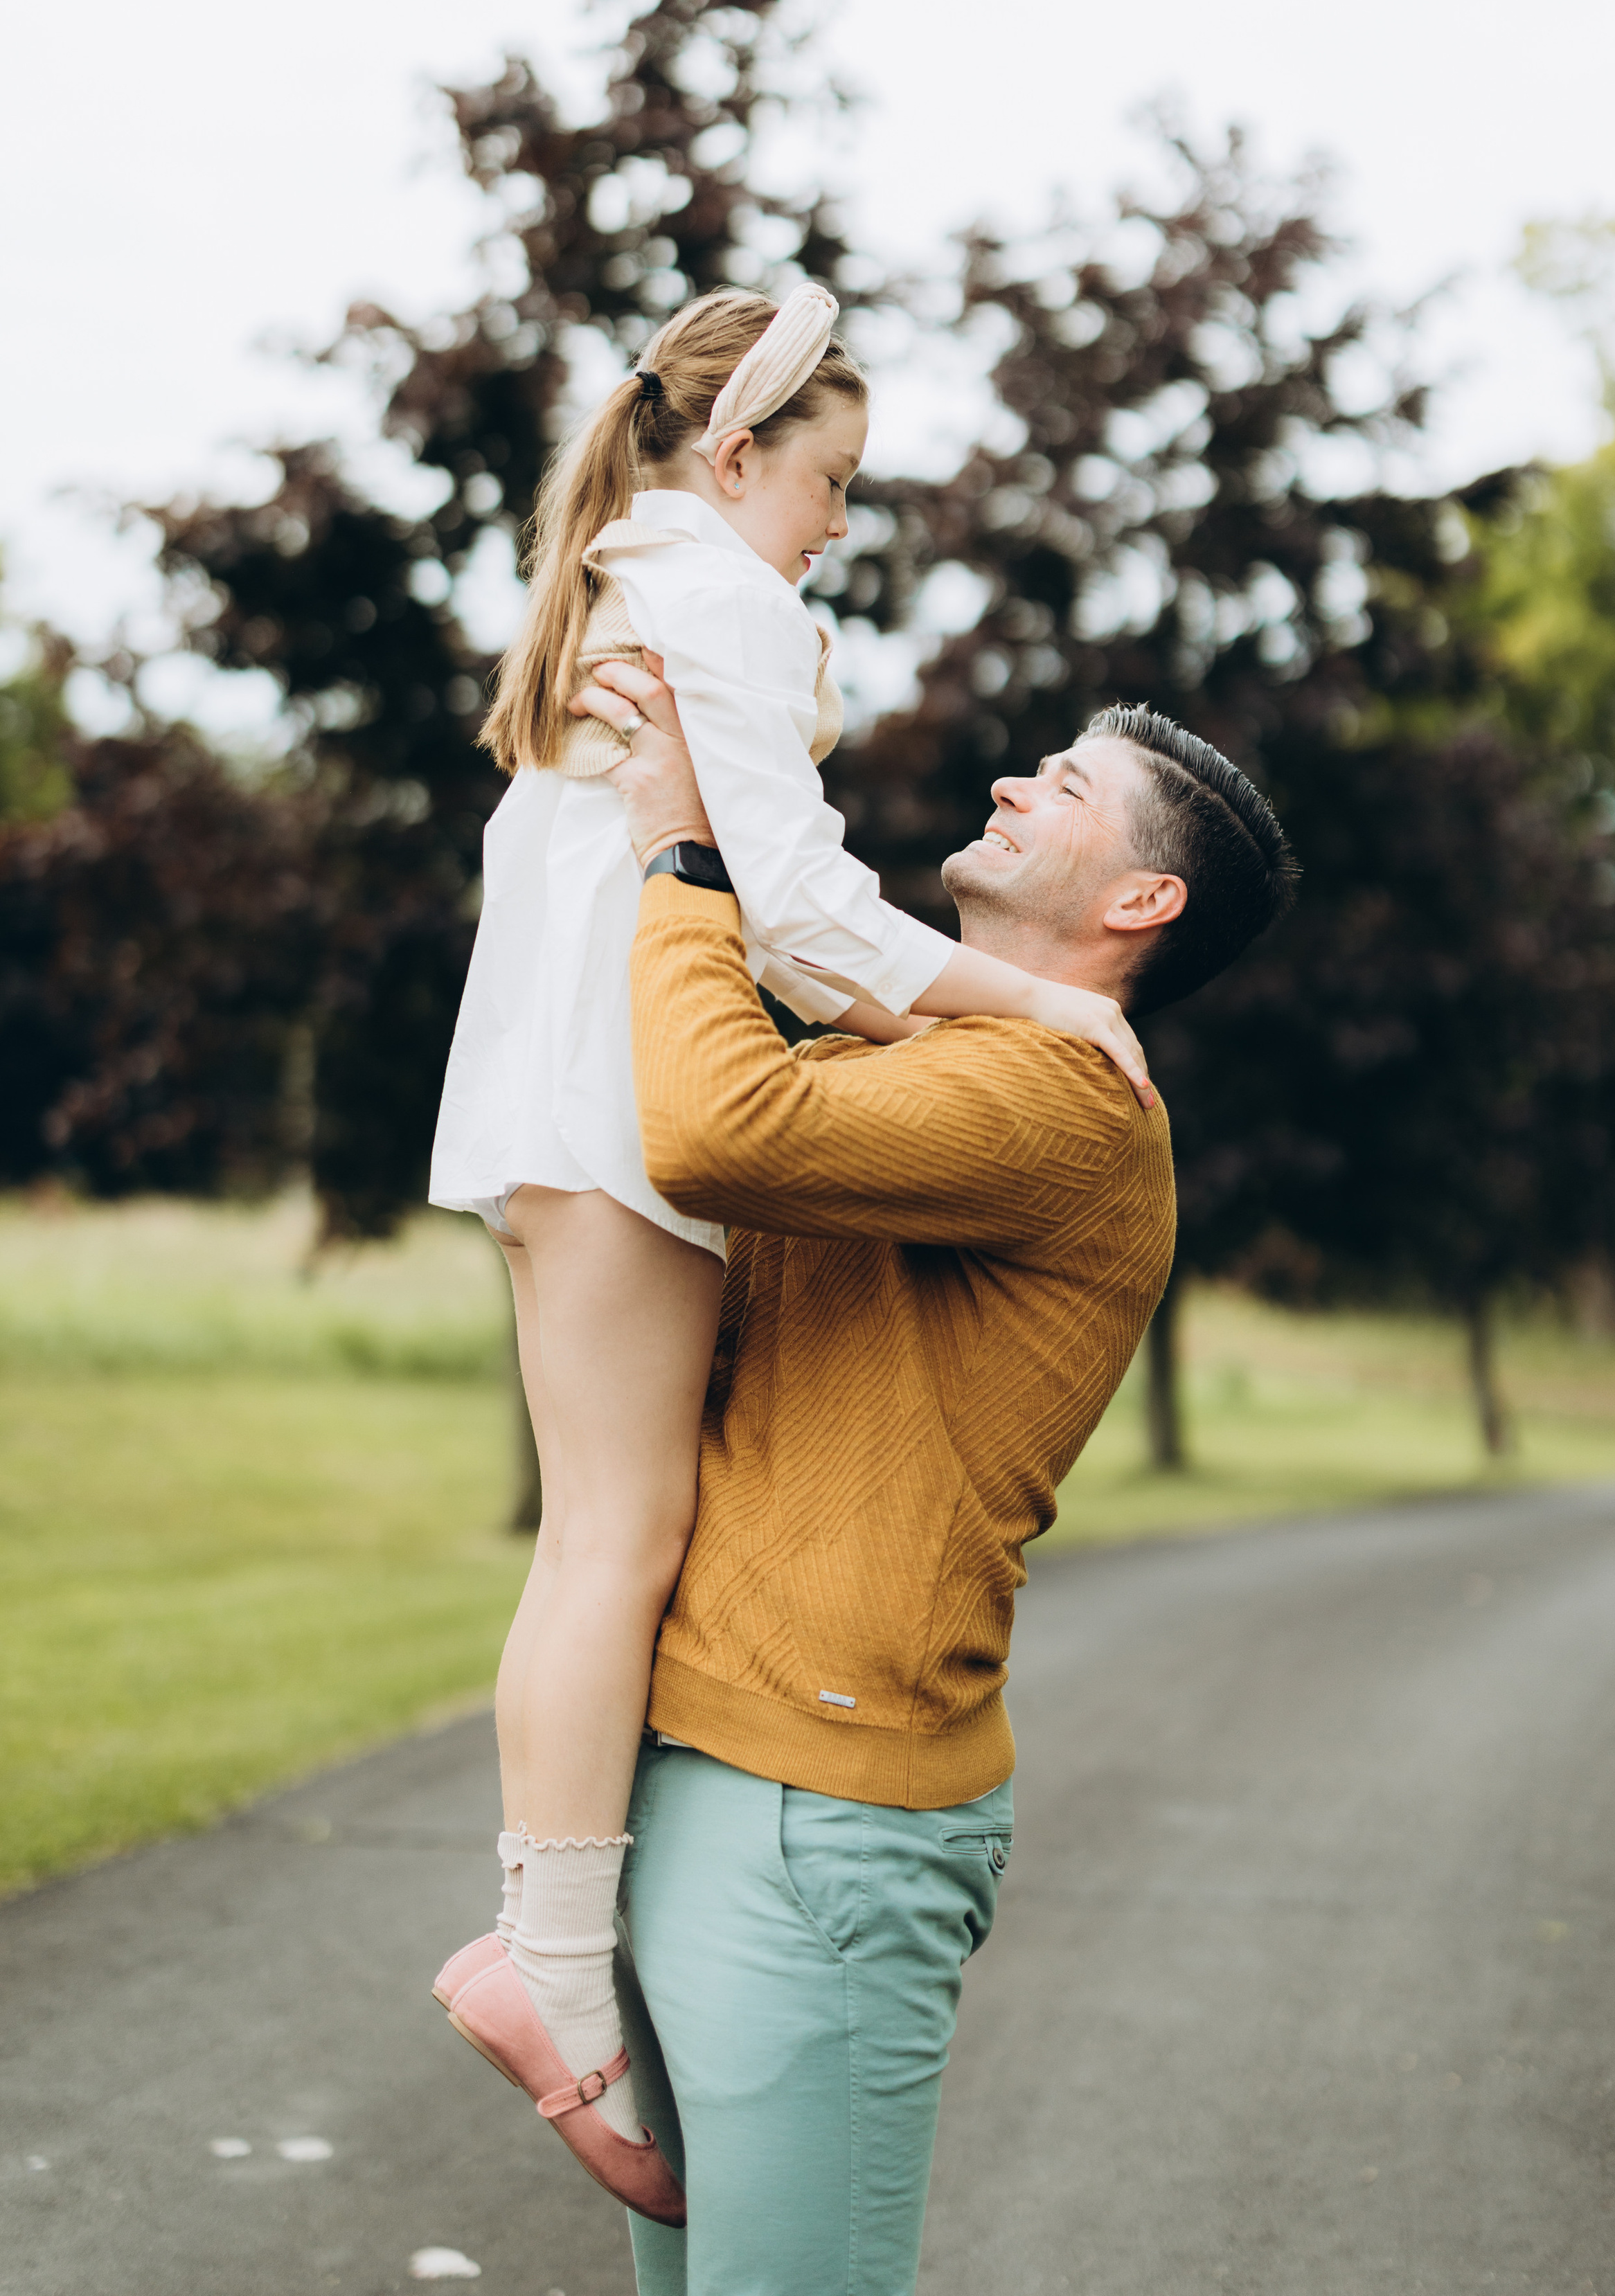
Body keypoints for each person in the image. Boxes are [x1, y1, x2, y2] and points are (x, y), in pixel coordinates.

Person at [425, 285, 1155, 2229]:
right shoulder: (720, 604)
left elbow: (767, 906)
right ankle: (551, 1964)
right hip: (618, 1115)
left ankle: (555, 1950)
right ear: (734, 455)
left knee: (603, 1519)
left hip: (551, 1110)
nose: (841, 521)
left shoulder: (626, 584)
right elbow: (807, 911)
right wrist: (1034, 1012)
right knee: (614, 1534)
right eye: (829, 481)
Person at [564, 658, 1297, 2293]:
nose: (1016, 783)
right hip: (704, 1766)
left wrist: (687, 854)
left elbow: (712, 1126)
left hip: (819, 1816)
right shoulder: (931, 1050)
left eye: (1069, 787)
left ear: (1140, 895)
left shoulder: (1059, 1099)